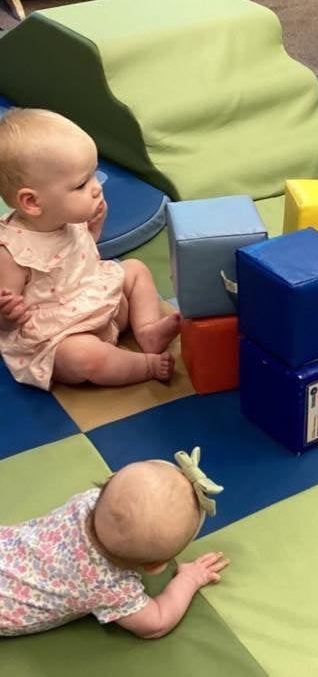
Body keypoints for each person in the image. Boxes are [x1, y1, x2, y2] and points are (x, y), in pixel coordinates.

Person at [0, 108, 181, 391]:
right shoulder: (11, 251)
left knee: (135, 269)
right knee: (86, 357)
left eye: (94, 176)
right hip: (62, 335)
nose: (96, 188)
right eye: (82, 184)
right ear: (32, 203)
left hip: (99, 301)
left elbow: (78, 257)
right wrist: (8, 316)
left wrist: (93, 229)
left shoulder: (66, 217)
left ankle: (147, 331)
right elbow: (5, 320)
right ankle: (144, 365)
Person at [0, 447, 229, 638]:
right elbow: (156, 623)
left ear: (105, 483)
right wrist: (188, 579)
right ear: (155, 566)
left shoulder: (86, 501)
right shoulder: (111, 587)